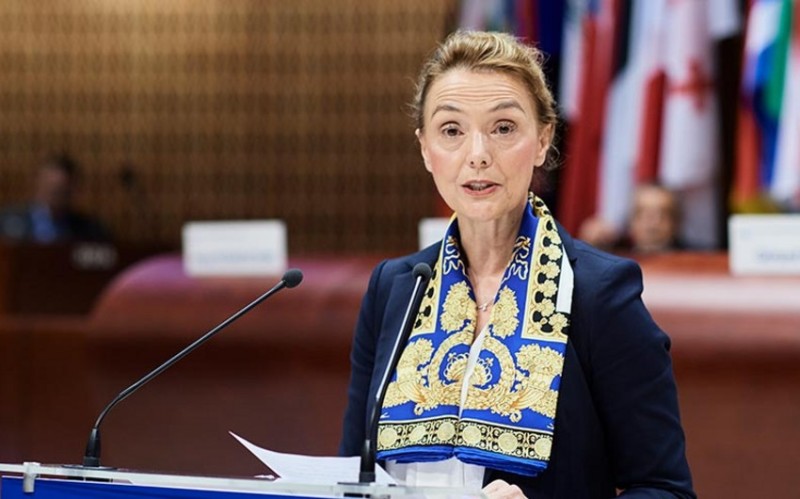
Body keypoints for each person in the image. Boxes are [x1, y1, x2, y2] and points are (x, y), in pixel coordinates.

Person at [339, 31, 694, 498]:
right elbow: (354, 475)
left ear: (543, 140)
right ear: (425, 148)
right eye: (451, 130)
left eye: (503, 128)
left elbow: (665, 489)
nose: (478, 155)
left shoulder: (599, 293)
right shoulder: (395, 288)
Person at [0, 154, 111, 243]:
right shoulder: (6, 222)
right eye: (48, 187)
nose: (53, 195)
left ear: (74, 189)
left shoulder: (89, 229)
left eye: (60, 190)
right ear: (37, 183)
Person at [579, 183, 682, 255]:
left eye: (662, 214)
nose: (653, 223)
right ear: (632, 221)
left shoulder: (689, 263)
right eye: (643, 214)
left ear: (675, 222)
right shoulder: (614, 261)